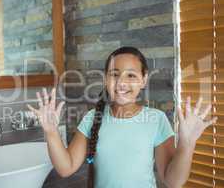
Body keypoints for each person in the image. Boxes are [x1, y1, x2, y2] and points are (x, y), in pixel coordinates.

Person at [27, 46, 217, 188]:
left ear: (144, 80)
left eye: (131, 76)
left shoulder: (156, 120)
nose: (121, 83)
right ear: (105, 79)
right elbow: (65, 168)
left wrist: (187, 144)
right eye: (114, 74)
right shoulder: (92, 118)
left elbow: (173, 181)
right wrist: (51, 132)